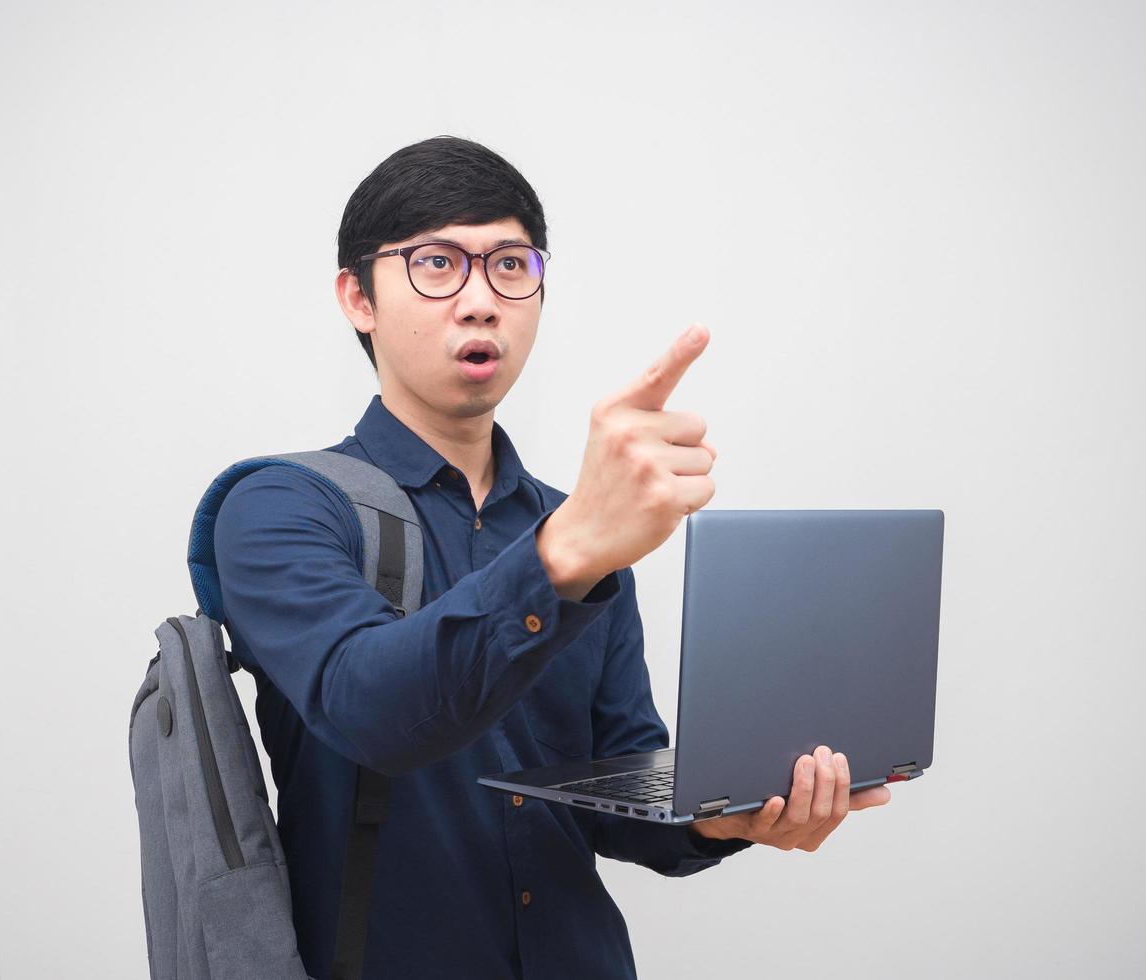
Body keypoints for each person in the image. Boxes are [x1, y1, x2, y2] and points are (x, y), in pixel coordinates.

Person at [212, 135, 891, 979]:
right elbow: (370, 710)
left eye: (509, 265)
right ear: (359, 298)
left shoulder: (576, 528)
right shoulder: (280, 505)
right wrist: (565, 553)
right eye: (435, 264)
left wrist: (726, 817)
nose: (479, 300)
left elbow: (617, 785)